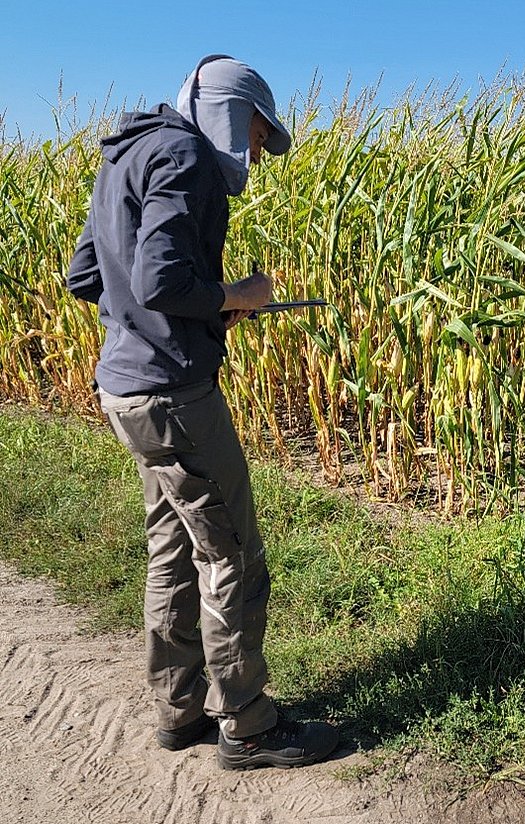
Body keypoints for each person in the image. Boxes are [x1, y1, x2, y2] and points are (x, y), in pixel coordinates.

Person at [65, 55, 339, 771]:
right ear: (225, 108)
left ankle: (178, 709)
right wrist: (233, 295)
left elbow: (86, 276)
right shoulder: (186, 155)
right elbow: (161, 279)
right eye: (254, 133)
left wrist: (182, 317)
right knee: (232, 553)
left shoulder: (127, 151)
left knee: (170, 548)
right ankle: (247, 726)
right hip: (175, 398)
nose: (254, 152)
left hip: (124, 393)